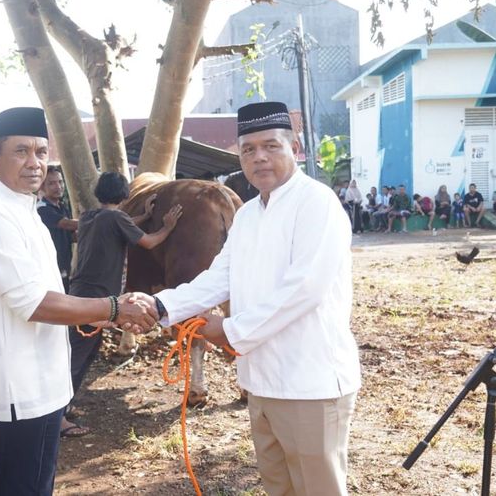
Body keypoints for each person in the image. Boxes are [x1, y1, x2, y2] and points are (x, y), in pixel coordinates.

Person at [127, 101, 360, 496]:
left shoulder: (317, 203)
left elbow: (304, 290)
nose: (259, 157)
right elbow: (218, 278)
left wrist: (230, 331)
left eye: (271, 145)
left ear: (296, 149)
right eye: (249, 149)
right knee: (278, 487)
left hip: (310, 383)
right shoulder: (250, 213)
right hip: (261, 379)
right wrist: (161, 306)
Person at [0, 107, 156, 496]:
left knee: (34, 483)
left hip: (42, 373)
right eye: (21, 152)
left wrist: (95, 316)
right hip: (19, 381)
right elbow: (34, 304)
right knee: (23, 486)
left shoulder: (24, 207)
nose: (34, 163)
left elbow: (49, 291)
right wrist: (113, 309)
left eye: (41, 152)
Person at [63, 172, 183, 437]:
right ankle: (57, 417)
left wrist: (142, 217)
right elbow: (148, 241)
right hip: (98, 296)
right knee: (78, 354)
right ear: (125, 194)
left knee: (85, 349)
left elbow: (121, 225)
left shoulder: (88, 217)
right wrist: (167, 226)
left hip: (79, 290)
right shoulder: (116, 218)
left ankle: (64, 403)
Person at [37, 168, 77, 292]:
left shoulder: (62, 206)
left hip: (65, 262)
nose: (58, 186)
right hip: (50, 265)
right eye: (52, 183)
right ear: (41, 187)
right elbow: (67, 224)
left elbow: (72, 235)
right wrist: (100, 221)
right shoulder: (42, 209)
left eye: (60, 182)